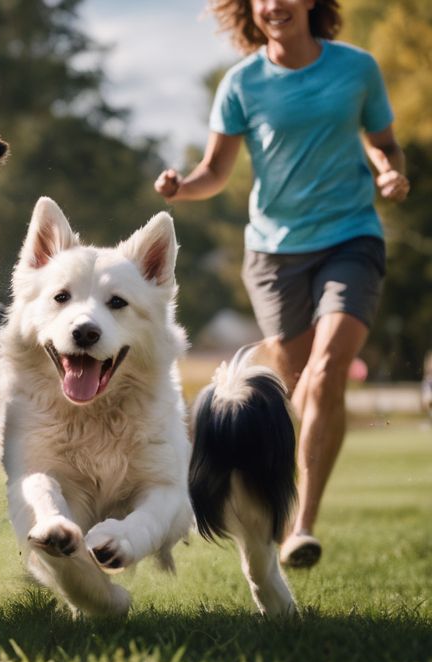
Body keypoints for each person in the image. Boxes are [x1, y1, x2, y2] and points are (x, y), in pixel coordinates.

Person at [154, 0, 409, 568]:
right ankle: (277, 501)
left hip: (350, 239)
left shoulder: (356, 68)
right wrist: (181, 187)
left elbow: (382, 140)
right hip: (274, 253)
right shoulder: (242, 82)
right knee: (298, 387)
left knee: (327, 372)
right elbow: (215, 172)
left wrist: (389, 167)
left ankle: (302, 525)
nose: (273, 5)